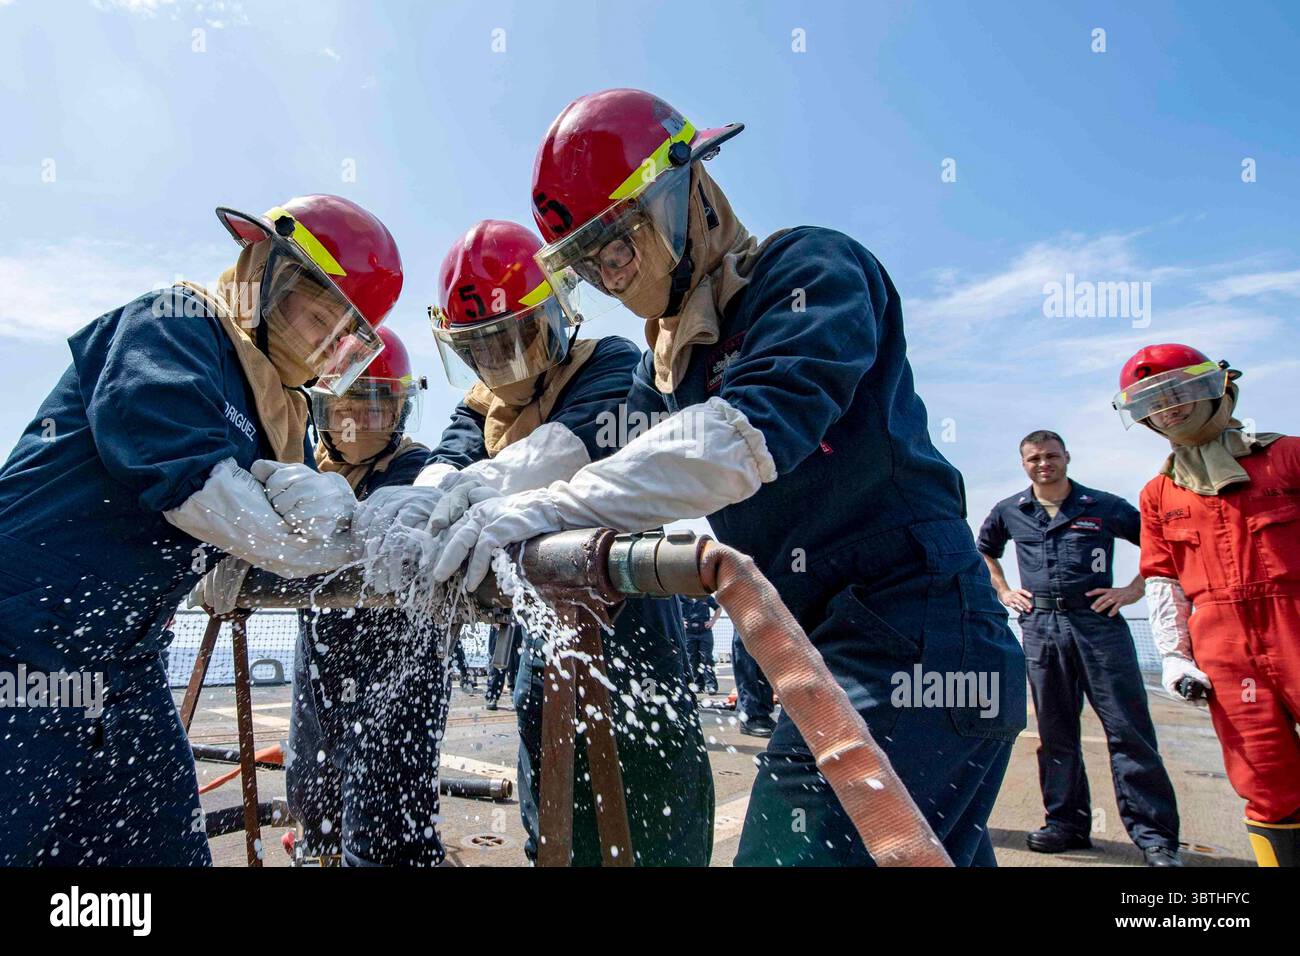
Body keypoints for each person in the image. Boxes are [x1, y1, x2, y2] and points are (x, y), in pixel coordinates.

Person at [428, 89, 1026, 866]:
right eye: (590, 263)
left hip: (921, 634)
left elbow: (738, 439)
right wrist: (462, 497)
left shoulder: (807, 270)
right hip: (824, 643)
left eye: (620, 243)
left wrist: (536, 509)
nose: (612, 276)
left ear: (687, 189)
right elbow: (593, 456)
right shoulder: (669, 363)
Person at [278, 219, 715, 866]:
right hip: (545, 621)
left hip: (628, 617)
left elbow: (561, 451)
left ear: (559, 318)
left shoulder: (615, 363)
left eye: (516, 341)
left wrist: (460, 493)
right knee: (551, 793)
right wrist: (410, 509)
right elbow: (443, 470)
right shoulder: (480, 407)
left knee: (653, 799)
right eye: (481, 350)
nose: (501, 368)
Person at [0, 194, 402, 866]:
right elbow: (190, 479)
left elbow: (264, 533)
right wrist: (356, 546)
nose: (327, 345)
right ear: (265, 273)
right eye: (319, 317)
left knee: (163, 850)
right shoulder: (171, 324)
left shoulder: (280, 412)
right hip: (19, 639)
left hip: (125, 664)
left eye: (345, 338)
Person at [269, 326, 450, 866]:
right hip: (319, 657)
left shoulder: (421, 474)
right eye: (350, 403)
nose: (365, 419)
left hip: (404, 665)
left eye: (380, 405)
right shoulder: (303, 469)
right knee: (311, 790)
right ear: (323, 409)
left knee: (385, 817)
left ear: (400, 411)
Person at [1114, 343, 1300, 867]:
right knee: (1265, 779)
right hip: (1223, 644)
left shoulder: (1289, 456)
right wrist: (1174, 654)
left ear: (1213, 388)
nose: (1167, 408)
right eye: (1152, 402)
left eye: (1176, 393)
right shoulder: (1159, 493)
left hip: (1294, 623)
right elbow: (1162, 577)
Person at [978, 430, 1181, 865]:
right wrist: (1003, 591)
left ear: (1067, 457)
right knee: (1055, 732)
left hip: (1098, 625)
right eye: (1034, 458)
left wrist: (1130, 591)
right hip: (1040, 628)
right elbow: (985, 551)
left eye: (1051, 456)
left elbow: (1160, 545)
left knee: (1127, 729)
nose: (1043, 464)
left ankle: (1155, 837)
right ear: (1023, 463)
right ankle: (1065, 824)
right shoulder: (1011, 510)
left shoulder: (1103, 507)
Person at [680, 595, 720, 694]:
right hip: (689, 632)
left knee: (706, 658)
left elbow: (718, 608)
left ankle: (711, 685)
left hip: (704, 631)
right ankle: (698, 685)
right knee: (692, 659)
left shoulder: (705, 596)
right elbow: (672, 610)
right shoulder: (681, 596)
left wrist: (712, 621)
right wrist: (680, 620)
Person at [484, 623, 523, 711]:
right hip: (501, 618)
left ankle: (515, 691)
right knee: (498, 658)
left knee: (517, 656)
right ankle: (493, 695)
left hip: (518, 619)